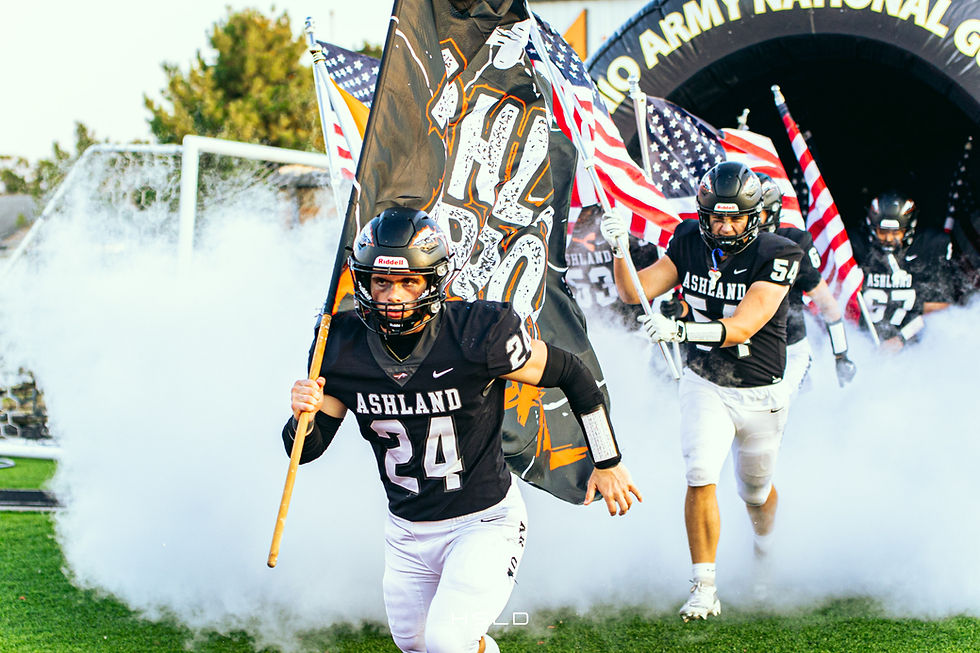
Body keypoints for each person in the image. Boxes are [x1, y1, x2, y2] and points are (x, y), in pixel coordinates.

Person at [284, 206, 642, 653]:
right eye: (381, 281)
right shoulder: (340, 344)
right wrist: (303, 414)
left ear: (433, 281)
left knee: (446, 641)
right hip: (407, 529)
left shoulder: (478, 334)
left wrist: (607, 459)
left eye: (408, 281)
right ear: (363, 281)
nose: (393, 295)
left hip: (483, 520)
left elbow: (572, 373)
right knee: (417, 645)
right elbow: (305, 450)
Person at [601, 161, 802, 622]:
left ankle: (766, 553)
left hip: (760, 389)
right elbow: (636, 291)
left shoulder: (780, 252)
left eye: (735, 217)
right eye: (717, 216)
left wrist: (679, 329)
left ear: (756, 218)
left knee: (754, 491)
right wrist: (619, 250)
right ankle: (704, 585)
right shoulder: (690, 239)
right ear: (704, 214)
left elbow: (745, 325)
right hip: (705, 379)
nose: (725, 226)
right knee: (699, 473)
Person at [852, 191, 956, 351]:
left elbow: (939, 308)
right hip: (861, 341)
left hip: (912, 347)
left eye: (895, 233)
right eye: (883, 232)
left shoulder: (926, 249)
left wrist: (903, 337)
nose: (888, 238)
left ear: (909, 229)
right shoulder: (856, 248)